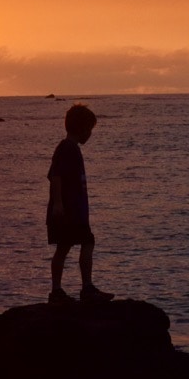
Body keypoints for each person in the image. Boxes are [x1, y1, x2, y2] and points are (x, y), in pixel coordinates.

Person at [46, 103, 114, 304]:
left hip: (74, 210)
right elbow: (55, 176)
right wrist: (58, 204)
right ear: (82, 129)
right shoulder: (67, 148)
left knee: (65, 246)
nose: (90, 134)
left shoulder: (70, 148)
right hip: (69, 211)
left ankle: (60, 291)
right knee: (84, 242)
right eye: (90, 130)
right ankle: (84, 288)